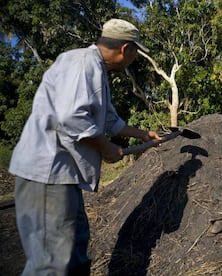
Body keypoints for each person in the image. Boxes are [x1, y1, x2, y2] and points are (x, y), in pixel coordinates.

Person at [8, 18, 160, 276]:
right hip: (48, 175)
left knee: (75, 251)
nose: (134, 58)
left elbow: (108, 119)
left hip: (63, 178)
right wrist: (105, 147)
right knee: (52, 264)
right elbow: (71, 117)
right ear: (126, 49)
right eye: (136, 52)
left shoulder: (96, 70)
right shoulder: (82, 64)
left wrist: (143, 134)